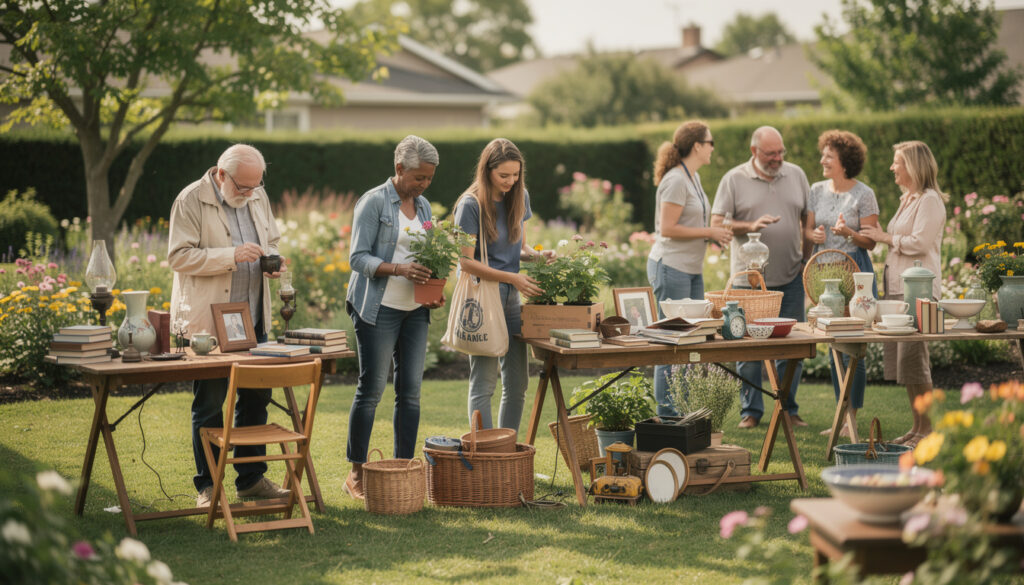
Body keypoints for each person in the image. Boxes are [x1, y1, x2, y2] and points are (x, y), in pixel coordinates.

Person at [168, 143, 289, 508]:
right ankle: (207, 486)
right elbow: (178, 256)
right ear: (221, 174)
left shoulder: (257, 195)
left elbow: (271, 239)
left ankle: (251, 480)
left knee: (256, 398)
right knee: (209, 404)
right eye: (243, 187)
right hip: (208, 324)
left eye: (256, 187)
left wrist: (273, 260)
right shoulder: (190, 200)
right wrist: (230, 256)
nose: (251, 194)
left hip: (251, 318)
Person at [343, 135, 444, 500]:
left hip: (415, 310)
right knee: (371, 391)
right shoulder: (373, 203)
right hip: (377, 308)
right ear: (399, 168)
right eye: (419, 177)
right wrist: (399, 269)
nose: (424, 185)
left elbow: (432, 253)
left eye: (429, 179)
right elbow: (357, 258)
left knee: (411, 394)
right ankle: (356, 473)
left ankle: (404, 468)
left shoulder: (426, 207)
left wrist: (434, 288)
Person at [710, 126, 811, 429]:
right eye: (771, 154)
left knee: (792, 348)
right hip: (748, 281)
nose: (778, 158)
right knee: (747, 347)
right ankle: (750, 413)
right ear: (754, 152)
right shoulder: (734, 179)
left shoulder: (797, 175)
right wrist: (752, 224)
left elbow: (808, 218)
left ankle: (788, 409)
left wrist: (806, 259)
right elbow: (717, 223)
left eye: (781, 152)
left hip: (791, 275)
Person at [454, 138, 552, 431]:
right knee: (484, 383)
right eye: (504, 175)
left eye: (516, 174)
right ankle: (484, 453)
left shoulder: (519, 196)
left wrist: (537, 257)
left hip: (511, 298)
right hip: (485, 297)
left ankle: (506, 449)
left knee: (517, 382)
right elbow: (466, 262)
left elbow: (514, 250)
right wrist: (514, 277)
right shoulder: (470, 205)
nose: (511, 181)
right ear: (487, 171)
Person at [859, 140, 946, 448]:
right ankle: (917, 426)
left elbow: (919, 243)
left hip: (919, 292)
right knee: (907, 363)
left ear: (913, 166)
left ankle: (928, 430)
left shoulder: (930, 200)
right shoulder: (909, 198)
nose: (892, 167)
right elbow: (901, 236)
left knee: (916, 359)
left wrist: (884, 237)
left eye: (897, 162)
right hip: (899, 290)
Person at [647, 120, 732, 415]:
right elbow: (667, 228)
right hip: (671, 268)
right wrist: (709, 233)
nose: (712, 148)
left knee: (690, 340)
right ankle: (668, 414)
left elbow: (690, 224)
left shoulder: (691, 177)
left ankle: (682, 411)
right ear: (697, 146)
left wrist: (715, 232)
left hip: (689, 268)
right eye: (711, 143)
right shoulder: (676, 180)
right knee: (672, 343)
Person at [807, 130, 880, 438]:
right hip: (823, 274)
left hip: (854, 272)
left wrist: (848, 232)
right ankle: (840, 414)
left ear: (844, 161)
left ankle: (852, 416)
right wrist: (814, 236)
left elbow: (871, 241)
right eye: (823, 154)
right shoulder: (815, 189)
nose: (823, 160)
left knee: (854, 346)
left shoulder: (864, 194)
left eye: (829, 156)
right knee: (834, 345)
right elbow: (808, 229)